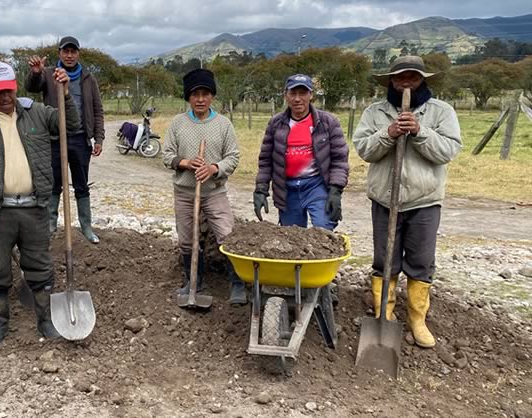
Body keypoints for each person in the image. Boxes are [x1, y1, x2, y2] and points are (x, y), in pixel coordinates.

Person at [0, 61, 79, 346]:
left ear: (16, 87)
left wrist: (66, 94)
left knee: (39, 266)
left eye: (9, 90)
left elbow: (69, 125)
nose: (5, 97)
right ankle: (0, 324)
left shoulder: (36, 113)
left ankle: (46, 322)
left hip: (35, 208)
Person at [353, 56, 462, 348]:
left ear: (422, 80)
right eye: (400, 78)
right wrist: (388, 134)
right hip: (385, 200)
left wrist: (419, 131)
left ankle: (417, 319)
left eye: (412, 78)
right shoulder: (374, 112)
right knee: (384, 260)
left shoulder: (441, 112)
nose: (405, 83)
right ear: (390, 81)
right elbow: (364, 149)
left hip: (424, 201)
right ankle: (384, 314)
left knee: (421, 261)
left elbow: (447, 151)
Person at [162, 68, 246, 305]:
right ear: (188, 97)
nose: (200, 99)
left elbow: (233, 157)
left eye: (205, 94)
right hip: (184, 193)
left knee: (227, 236)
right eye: (195, 94)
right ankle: (194, 281)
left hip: (214, 192)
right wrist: (185, 163)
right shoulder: (178, 124)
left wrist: (213, 168)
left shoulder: (223, 124)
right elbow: (167, 155)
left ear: (212, 97)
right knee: (187, 239)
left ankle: (237, 283)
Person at [25, 36, 105, 243]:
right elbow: (32, 87)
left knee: (81, 184)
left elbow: (98, 110)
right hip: (54, 138)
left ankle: (86, 226)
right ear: (59, 53)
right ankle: (51, 224)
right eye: (65, 51)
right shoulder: (49, 74)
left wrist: (99, 138)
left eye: (73, 51)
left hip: (80, 139)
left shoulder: (88, 78)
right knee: (54, 184)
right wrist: (35, 73)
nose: (69, 55)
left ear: (78, 54)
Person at [254, 74, 349, 230]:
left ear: (311, 95)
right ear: (285, 96)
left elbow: (339, 159)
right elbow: (266, 160)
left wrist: (335, 190)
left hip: (316, 185)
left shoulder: (327, 122)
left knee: (324, 229)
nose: (297, 99)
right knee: (293, 236)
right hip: (287, 188)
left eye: (303, 93)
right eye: (293, 93)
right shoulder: (276, 124)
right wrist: (260, 189)